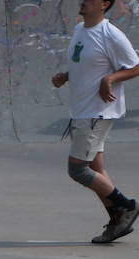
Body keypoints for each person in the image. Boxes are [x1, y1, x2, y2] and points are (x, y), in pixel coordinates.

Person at [52, 0, 139, 243]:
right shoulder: (81, 30)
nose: (83, 1)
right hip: (82, 110)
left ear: (104, 4)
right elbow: (87, 66)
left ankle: (126, 206)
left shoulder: (110, 34)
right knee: (96, 169)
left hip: (97, 111)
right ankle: (118, 219)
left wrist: (110, 78)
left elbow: (135, 66)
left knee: (78, 169)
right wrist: (65, 77)